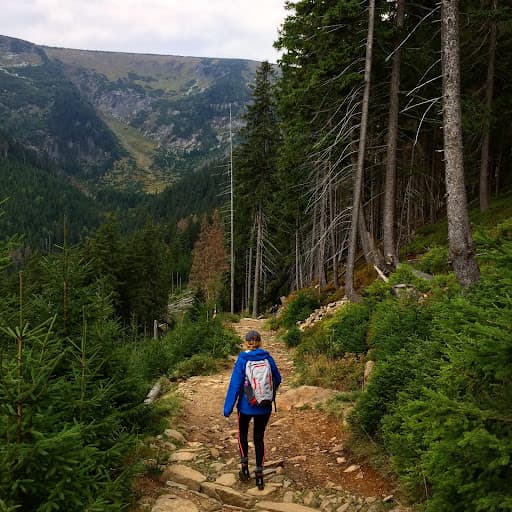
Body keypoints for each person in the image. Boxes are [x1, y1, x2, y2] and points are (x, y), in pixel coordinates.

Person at [223, 329, 281, 490]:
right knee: (258, 438)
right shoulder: (267, 357)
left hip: (245, 407)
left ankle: (244, 467)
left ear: (246, 342)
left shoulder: (242, 359)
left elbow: (235, 385)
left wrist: (228, 408)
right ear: (260, 342)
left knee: (242, 434)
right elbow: (278, 378)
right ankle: (260, 476)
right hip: (264, 407)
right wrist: (267, 394)